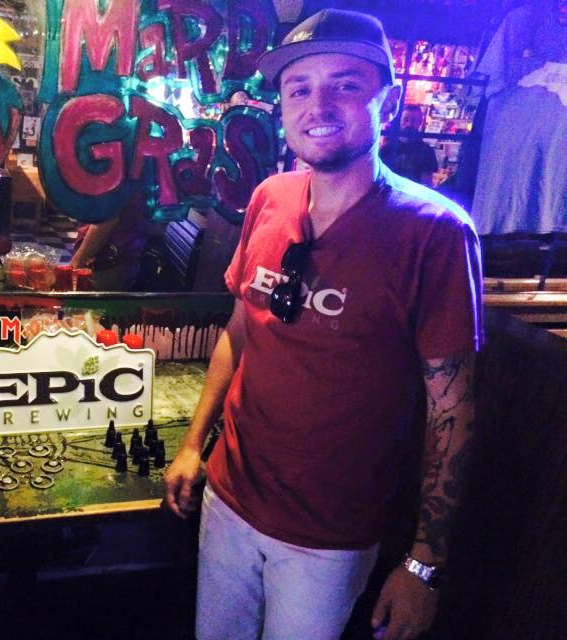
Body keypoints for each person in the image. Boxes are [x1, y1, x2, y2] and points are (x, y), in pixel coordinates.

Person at [163, 9, 483, 640]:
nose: (319, 105)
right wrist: (193, 443)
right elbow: (239, 331)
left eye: (346, 85)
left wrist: (424, 565)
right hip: (229, 498)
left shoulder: (436, 234)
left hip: (328, 537)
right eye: (299, 88)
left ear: (388, 102)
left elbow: (454, 411)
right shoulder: (270, 196)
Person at [380, 105, 439, 186]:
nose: (409, 124)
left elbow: (426, 183)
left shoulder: (426, 151)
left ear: (420, 122)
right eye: (406, 119)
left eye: (414, 121)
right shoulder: (387, 148)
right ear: (400, 121)